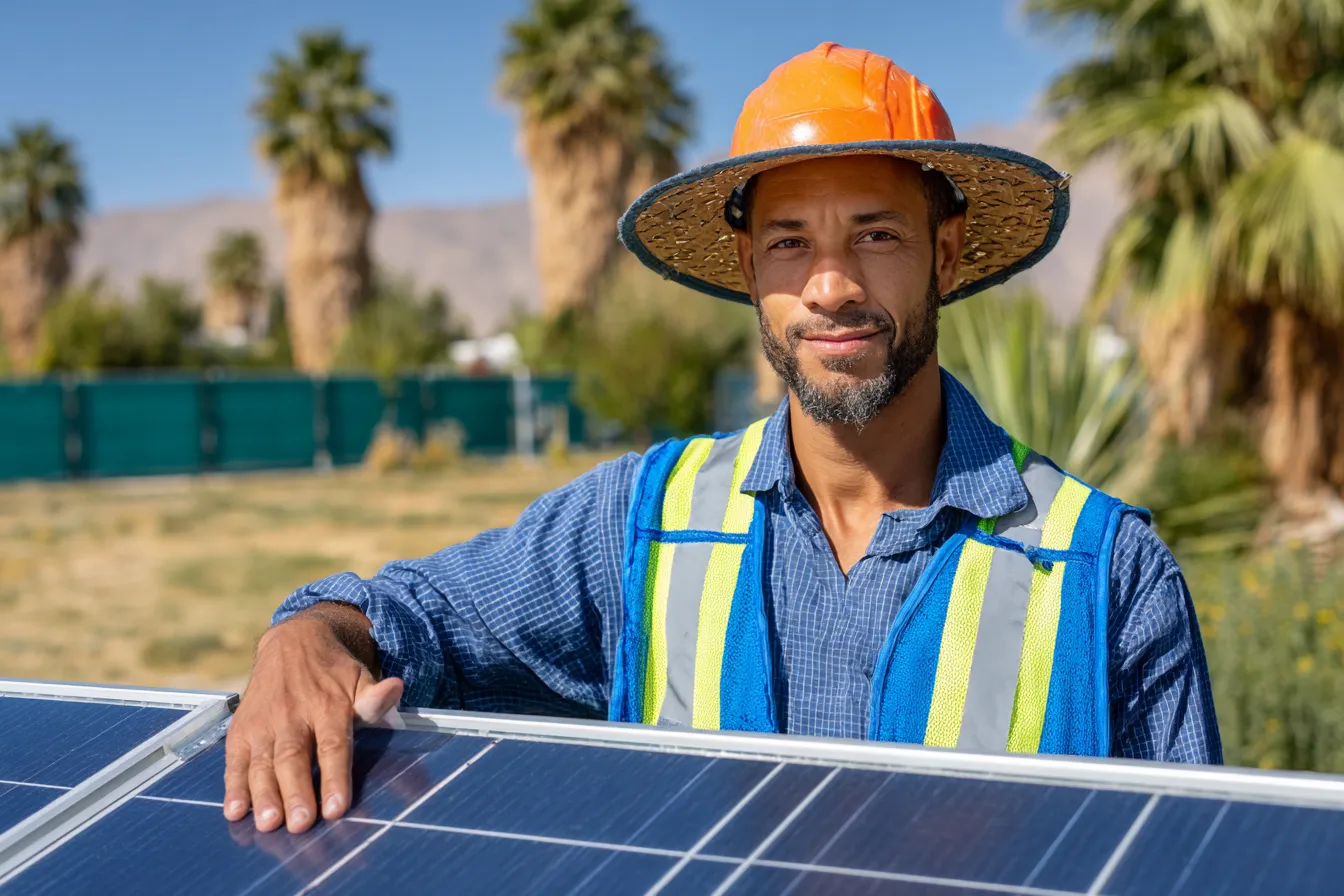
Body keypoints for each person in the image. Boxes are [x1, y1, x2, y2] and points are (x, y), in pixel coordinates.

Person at [224, 43, 1220, 834]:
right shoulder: (638, 523)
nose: (831, 285)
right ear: (749, 271)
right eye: (791, 243)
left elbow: (1193, 861)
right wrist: (309, 632)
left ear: (946, 255)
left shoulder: (1109, 574)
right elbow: (421, 613)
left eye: (876, 234)